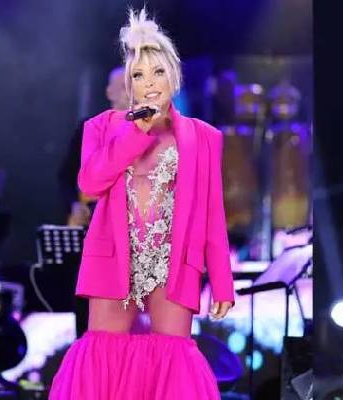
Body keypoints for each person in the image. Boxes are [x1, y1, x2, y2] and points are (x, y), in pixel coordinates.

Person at [50, 8, 234, 400]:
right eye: (138, 75)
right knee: (104, 356)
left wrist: (222, 281)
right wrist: (135, 134)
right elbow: (89, 184)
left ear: (174, 76)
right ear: (129, 84)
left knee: (174, 359)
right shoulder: (102, 127)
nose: (149, 83)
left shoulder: (204, 137)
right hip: (115, 256)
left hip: (173, 262)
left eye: (158, 72)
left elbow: (212, 213)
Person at [58, 66, 129, 227]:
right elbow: (66, 176)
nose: (131, 93)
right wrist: (74, 205)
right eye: (125, 87)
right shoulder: (90, 127)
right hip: (93, 219)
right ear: (110, 92)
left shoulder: (150, 132)